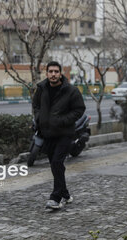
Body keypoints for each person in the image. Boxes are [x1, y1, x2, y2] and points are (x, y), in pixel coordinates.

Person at [33, 61, 85, 209]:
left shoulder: (71, 90)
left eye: (56, 71)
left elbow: (79, 109)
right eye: (51, 71)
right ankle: (66, 194)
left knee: (56, 162)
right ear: (47, 73)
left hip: (64, 133)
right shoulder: (41, 89)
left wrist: (62, 120)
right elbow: (36, 105)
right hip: (48, 133)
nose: (53, 74)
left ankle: (55, 198)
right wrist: (39, 117)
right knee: (56, 165)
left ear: (60, 73)